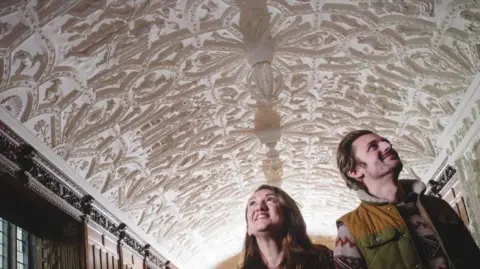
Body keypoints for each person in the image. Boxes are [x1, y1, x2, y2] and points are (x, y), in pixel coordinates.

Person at [333, 129, 480, 269]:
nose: (387, 145)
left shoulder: (438, 205)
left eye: (385, 141)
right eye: (373, 147)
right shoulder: (350, 228)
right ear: (354, 171)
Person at [240, 184, 333, 269]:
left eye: (270, 199)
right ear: (248, 228)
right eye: (252, 203)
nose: (259, 207)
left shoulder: (322, 258)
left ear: (288, 216)